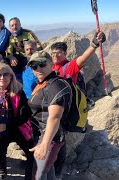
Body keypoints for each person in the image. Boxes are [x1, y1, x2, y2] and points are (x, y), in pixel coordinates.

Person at [50, 30, 106, 178]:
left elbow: (82, 59)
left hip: (64, 113)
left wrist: (94, 44)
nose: (55, 55)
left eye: (59, 53)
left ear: (65, 53)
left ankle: (57, 172)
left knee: (59, 142)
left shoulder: (69, 67)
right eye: (53, 53)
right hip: (50, 110)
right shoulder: (49, 67)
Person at [0, 63, 34, 180]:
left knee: (31, 153)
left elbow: (25, 114)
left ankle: (29, 176)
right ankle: (2, 172)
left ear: (11, 77)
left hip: (17, 127)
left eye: (5, 74)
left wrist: (7, 125)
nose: (2, 77)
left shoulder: (18, 91)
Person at [27, 51, 72, 180]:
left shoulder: (55, 85)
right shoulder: (44, 83)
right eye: (34, 66)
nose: (38, 69)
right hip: (43, 135)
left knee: (38, 174)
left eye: (42, 64)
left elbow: (55, 117)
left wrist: (45, 145)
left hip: (50, 137)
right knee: (47, 171)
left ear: (51, 64)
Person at [7, 17, 42, 82]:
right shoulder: (10, 37)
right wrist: (11, 57)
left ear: (20, 25)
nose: (15, 27)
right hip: (21, 57)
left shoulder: (28, 33)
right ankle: (19, 81)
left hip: (31, 56)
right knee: (12, 62)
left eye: (16, 24)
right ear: (10, 27)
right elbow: (9, 50)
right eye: (12, 25)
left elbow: (38, 45)